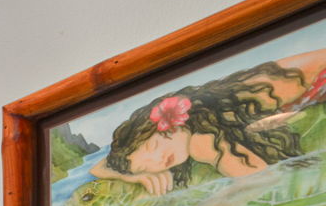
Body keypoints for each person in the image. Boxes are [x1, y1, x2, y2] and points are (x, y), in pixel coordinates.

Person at [90, 50, 326, 198]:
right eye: (146, 168)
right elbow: (100, 166)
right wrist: (134, 177)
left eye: (152, 149)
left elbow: (259, 182)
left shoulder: (202, 139)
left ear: (165, 126)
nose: (158, 161)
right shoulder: (210, 111)